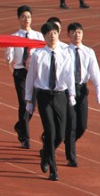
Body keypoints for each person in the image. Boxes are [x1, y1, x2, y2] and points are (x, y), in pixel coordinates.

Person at [25, 22, 77, 181]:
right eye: (49, 34)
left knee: (60, 134)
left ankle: (45, 153)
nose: (52, 36)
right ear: (44, 37)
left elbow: (69, 76)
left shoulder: (66, 54)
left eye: (54, 33)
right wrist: (29, 100)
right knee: (50, 131)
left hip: (60, 95)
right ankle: (53, 170)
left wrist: (71, 95)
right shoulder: (38, 55)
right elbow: (31, 78)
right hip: (44, 96)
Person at [64, 22, 100, 167]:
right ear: (68, 34)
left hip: (81, 90)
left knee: (82, 125)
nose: (77, 35)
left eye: (79, 32)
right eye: (74, 32)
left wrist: (99, 90)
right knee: (71, 124)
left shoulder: (89, 52)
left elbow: (95, 72)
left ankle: (68, 142)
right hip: (68, 90)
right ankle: (71, 157)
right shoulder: (65, 51)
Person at [4, 5, 44, 149]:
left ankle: (20, 125)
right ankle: (25, 138)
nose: (26, 19)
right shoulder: (14, 37)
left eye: (28, 17)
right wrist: (9, 58)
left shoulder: (38, 36)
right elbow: (8, 56)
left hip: (34, 73)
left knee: (32, 106)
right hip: (20, 73)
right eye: (23, 17)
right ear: (18, 18)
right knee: (24, 104)